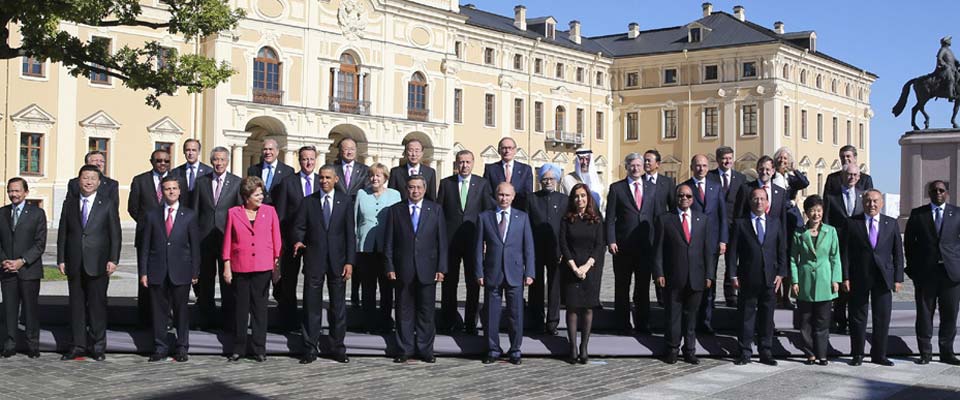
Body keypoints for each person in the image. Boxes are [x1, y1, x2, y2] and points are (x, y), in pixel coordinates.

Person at [605, 151, 674, 335]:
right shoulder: (616, 188)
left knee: (642, 288)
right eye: (632, 165)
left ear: (643, 167)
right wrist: (611, 240)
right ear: (626, 167)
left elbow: (657, 217)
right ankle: (622, 324)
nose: (635, 168)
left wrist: (660, 241)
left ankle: (643, 324)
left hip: (646, 246)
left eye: (638, 165)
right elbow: (610, 218)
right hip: (622, 247)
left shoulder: (652, 189)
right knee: (622, 286)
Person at [57, 165, 121, 361]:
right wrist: (61, 258)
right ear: (79, 180)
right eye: (85, 178)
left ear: (99, 182)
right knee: (76, 306)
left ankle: (98, 346)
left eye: (93, 178)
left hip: (99, 262)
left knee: (97, 306)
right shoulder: (70, 204)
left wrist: (113, 259)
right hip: (74, 262)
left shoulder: (107, 204)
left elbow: (115, 234)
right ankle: (77, 345)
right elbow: (63, 234)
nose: (88, 182)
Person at [293, 165, 356, 364]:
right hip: (314, 260)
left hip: (338, 262)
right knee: (311, 306)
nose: (324, 181)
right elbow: (299, 227)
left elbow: (350, 235)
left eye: (328, 177)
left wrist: (349, 262)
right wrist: (298, 240)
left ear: (336, 179)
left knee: (338, 307)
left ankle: (338, 347)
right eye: (321, 178)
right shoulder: (308, 201)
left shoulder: (345, 201)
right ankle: (310, 348)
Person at [384, 175, 448, 363]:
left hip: (428, 268)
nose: (415, 191)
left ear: (425, 189)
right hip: (403, 268)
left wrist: (442, 268)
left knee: (426, 312)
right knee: (403, 311)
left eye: (419, 187)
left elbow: (442, 242)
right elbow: (389, 242)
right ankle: (405, 349)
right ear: (406, 189)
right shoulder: (395, 211)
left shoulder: (435, 210)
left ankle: (425, 349)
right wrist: (389, 266)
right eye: (411, 187)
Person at [138, 176, 201, 362]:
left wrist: (195, 271)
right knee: (159, 312)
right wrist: (143, 272)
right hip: (157, 270)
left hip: (181, 271)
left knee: (181, 312)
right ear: (161, 192)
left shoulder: (189, 215)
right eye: (167, 189)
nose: (171, 192)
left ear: (180, 191)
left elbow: (195, 246)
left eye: (174, 188)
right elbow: (145, 247)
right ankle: (160, 347)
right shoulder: (152, 215)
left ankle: (182, 347)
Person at [222, 177, 282, 362]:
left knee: (260, 310)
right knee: (241, 310)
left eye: (261, 193)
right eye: (257, 194)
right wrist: (227, 266)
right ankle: (239, 347)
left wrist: (276, 266)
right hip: (241, 266)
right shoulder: (233, 213)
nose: (261, 197)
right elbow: (227, 242)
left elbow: (276, 240)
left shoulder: (270, 212)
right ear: (246, 196)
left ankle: (259, 348)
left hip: (263, 267)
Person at [475, 183, 535, 365]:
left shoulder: (522, 217)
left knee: (515, 314)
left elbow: (529, 247)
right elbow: (477, 248)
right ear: (495, 195)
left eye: (507, 195)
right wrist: (479, 271)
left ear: (513, 196)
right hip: (492, 272)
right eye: (501, 195)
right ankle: (493, 349)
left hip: (515, 272)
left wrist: (530, 271)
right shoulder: (484, 217)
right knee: (491, 315)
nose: (504, 198)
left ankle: (515, 349)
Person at [436, 150, 493, 335]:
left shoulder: (482, 184)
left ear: (473, 163)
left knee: (473, 283)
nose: (464, 165)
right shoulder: (446, 184)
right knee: (449, 283)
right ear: (456, 164)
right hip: (450, 242)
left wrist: (485, 239)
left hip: (473, 242)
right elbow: (439, 213)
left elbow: (486, 213)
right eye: (461, 162)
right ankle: (448, 321)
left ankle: (470, 322)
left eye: (468, 162)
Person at [845, 189, 904, 367]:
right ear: (863, 203)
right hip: (859, 276)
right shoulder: (852, 223)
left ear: (882, 203)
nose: (872, 204)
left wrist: (898, 278)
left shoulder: (891, 223)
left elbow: (898, 253)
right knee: (857, 317)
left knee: (882, 317)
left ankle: (880, 354)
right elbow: (845, 253)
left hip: (883, 277)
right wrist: (845, 277)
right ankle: (857, 354)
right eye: (868, 201)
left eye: (875, 201)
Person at [654, 184, 712, 365]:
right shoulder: (665, 219)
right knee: (673, 316)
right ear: (676, 198)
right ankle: (672, 349)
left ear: (693, 199)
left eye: (688, 196)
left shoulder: (702, 219)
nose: (684, 199)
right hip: (673, 276)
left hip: (696, 277)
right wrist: (659, 272)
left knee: (691, 317)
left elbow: (707, 250)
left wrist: (709, 274)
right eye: (681, 196)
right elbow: (658, 249)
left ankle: (690, 350)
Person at [728, 187, 786, 366]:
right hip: (747, 277)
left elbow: (781, 250)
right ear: (750, 201)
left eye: (762, 199)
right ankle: (745, 352)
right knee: (746, 316)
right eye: (755, 199)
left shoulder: (775, 223)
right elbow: (732, 252)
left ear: (767, 202)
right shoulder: (740, 223)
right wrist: (732, 274)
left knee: (767, 317)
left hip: (770, 277)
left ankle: (765, 351)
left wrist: (781, 274)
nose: (759, 202)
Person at [904, 180, 960, 365]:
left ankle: (947, 352)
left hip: (950, 274)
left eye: (941, 190)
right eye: (934, 190)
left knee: (950, 314)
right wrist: (912, 270)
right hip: (926, 274)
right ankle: (925, 353)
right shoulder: (919, 214)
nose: (938, 193)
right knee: (924, 314)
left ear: (947, 193)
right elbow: (910, 244)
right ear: (929, 193)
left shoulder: (957, 213)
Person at [129, 149, 187, 327]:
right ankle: (146, 319)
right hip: (148, 238)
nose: (162, 164)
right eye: (159, 161)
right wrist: (150, 226)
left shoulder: (178, 181)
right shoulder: (140, 181)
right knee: (146, 281)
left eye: (166, 161)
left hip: (173, 240)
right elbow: (133, 208)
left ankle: (169, 320)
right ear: (152, 161)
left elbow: (183, 208)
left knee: (171, 280)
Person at [192, 147, 242, 329]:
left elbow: (239, 212)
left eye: (222, 160)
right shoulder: (201, 182)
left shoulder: (236, 183)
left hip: (226, 238)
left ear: (227, 161)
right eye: (215, 160)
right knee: (205, 281)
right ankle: (205, 319)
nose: (219, 163)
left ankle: (228, 320)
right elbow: (195, 211)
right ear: (211, 161)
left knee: (227, 281)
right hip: (204, 238)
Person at [273, 146, 321, 331]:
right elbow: (281, 214)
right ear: (299, 161)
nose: (308, 162)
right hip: (291, 240)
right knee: (289, 282)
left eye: (311, 159)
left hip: (314, 241)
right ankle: (288, 321)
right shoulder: (288, 182)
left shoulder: (321, 181)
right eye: (304, 159)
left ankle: (308, 322)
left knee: (311, 282)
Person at [790, 195, 841, 366]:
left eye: (818, 210)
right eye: (812, 211)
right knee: (805, 321)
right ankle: (809, 352)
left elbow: (835, 257)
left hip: (825, 280)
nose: (816, 214)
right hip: (805, 281)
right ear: (806, 212)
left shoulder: (831, 231)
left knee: (823, 321)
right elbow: (793, 259)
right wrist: (795, 281)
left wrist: (836, 279)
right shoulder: (799, 233)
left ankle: (822, 353)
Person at [559, 183, 605, 364]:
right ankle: (572, 347)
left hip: (590, 268)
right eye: (577, 196)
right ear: (572, 199)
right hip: (571, 267)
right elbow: (563, 243)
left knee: (587, 308)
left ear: (588, 198)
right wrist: (574, 267)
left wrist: (586, 267)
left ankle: (584, 347)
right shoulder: (566, 219)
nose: (580, 199)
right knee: (571, 308)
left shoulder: (596, 218)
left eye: (583, 196)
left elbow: (599, 245)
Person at [0, 178, 46, 358]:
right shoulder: (2, 213)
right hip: (6, 270)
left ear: (26, 192)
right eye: (11, 191)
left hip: (29, 270)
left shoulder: (37, 213)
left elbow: (40, 244)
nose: (14, 194)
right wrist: (4, 260)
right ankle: (10, 343)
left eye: (17, 191)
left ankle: (32, 344)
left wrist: (22, 261)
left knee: (30, 309)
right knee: (9, 309)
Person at [354, 163, 402, 333]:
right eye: (372, 175)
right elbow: (355, 220)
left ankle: (386, 321)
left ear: (385, 178)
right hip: (365, 248)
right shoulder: (361, 194)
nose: (375, 178)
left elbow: (399, 221)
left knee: (387, 288)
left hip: (386, 248)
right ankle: (368, 322)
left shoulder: (395, 195)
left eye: (378, 176)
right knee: (367, 288)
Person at [683, 154, 727, 334]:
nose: (701, 169)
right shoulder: (685, 187)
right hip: (691, 243)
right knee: (692, 282)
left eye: (704, 165)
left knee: (710, 282)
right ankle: (691, 321)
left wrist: (723, 239)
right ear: (692, 167)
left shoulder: (716, 187)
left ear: (708, 167)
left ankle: (706, 321)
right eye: (698, 166)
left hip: (712, 243)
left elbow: (722, 216)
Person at [522, 163, 567, 335]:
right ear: (540, 180)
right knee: (536, 286)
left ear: (556, 180)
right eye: (545, 178)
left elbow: (566, 226)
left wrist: (564, 250)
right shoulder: (532, 198)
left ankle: (552, 322)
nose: (548, 181)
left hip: (556, 249)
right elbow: (526, 224)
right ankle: (536, 320)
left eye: (551, 178)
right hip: (535, 249)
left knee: (555, 287)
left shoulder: (564, 200)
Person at [822, 163, 863, 334]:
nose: (851, 177)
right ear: (843, 176)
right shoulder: (832, 197)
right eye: (848, 174)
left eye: (855, 175)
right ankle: (839, 319)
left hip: (858, 246)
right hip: (837, 243)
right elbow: (826, 220)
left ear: (859, 177)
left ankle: (855, 320)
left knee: (856, 283)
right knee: (838, 281)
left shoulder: (863, 196)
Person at [708, 146, 746, 307]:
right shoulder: (710, 177)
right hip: (714, 228)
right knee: (712, 262)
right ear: (717, 160)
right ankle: (710, 296)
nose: (727, 161)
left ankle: (731, 295)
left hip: (734, 227)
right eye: (724, 158)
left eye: (730, 158)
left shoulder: (741, 178)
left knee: (732, 262)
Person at [773, 147, 810, 311]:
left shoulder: (791, 178)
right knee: (775, 257)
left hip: (790, 220)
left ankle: (786, 296)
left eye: (785, 158)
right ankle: (776, 295)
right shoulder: (772, 176)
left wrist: (794, 168)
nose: (782, 160)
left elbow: (805, 183)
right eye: (780, 158)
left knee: (789, 257)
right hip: (775, 219)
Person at [483, 137, 533, 207]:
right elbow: (487, 193)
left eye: (510, 148)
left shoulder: (525, 169)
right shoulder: (490, 169)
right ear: (499, 150)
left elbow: (528, 194)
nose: (507, 151)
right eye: (504, 148)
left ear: (515, 150)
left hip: (518, 211)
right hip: (496, 210)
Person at [246, 138, 295, 205]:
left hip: (278, 211)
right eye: (265, 149)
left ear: (277, 151)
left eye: (270, 149)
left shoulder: (288, 171)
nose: (267, 152)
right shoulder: (253, 170)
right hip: (258, 210)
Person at [171, 138, 212, 209]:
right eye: (188, 150)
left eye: (194, 150)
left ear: (199, 152)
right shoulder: (176, 172)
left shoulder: (208, 172)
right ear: (184, 151)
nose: (190, 153)